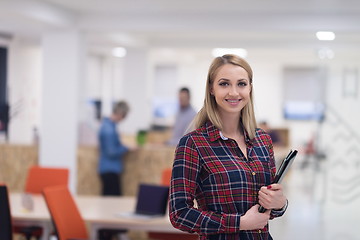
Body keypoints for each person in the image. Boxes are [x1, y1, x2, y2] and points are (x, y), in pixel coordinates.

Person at [169, 54, 288, 240]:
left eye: (241, 84)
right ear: (211, 89)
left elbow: (266, 212)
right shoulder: (193, 144)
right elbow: (179, 214)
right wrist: (239, 223)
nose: (234, 92)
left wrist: (279, 203)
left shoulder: (263, 140)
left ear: (250, 88)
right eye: (224, 84)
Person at [98, 100, 130, 196]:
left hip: (110, 170)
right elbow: (111, 152)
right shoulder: (108, 130)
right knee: (111, 200)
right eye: (124, 116)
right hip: (109, 170)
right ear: (120, 113)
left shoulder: (109, 126)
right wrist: (126, 148)